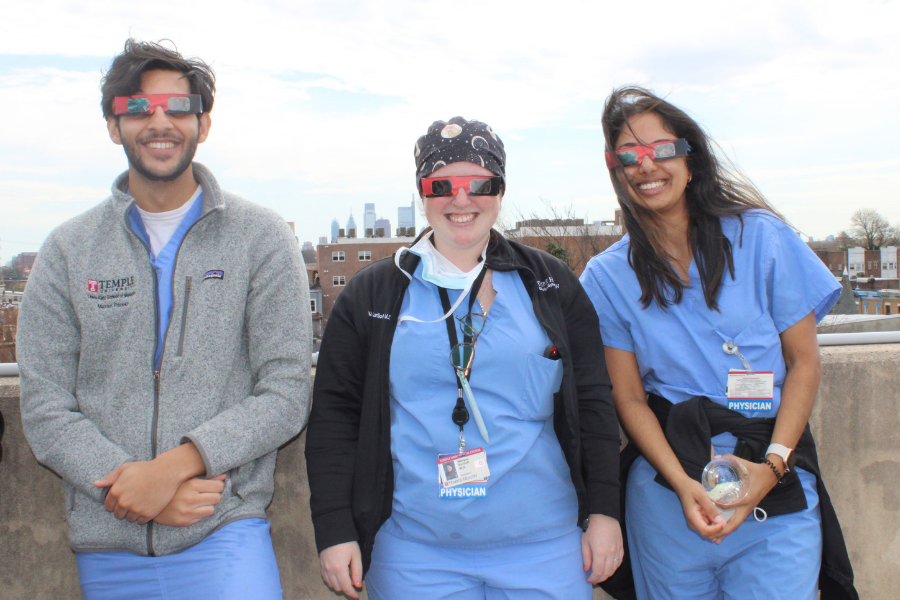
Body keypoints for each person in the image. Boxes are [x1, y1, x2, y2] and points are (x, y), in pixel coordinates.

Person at [17, 39, 311, 600]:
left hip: (225, 530)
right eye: (137, 108)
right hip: (109, 541)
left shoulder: (262, 238)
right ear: (112, 124)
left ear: (203, 121)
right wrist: (133, 489)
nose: (160, 122)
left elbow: (285, 392)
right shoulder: (67, 250)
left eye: (178, 107)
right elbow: (47, 406)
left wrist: (178, 465)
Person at [306, 116, 623, 600]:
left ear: (500, 190)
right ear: (422, 192)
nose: (461, 199)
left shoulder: (552, 284)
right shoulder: (372, 293)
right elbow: (334, 419)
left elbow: (595, 401)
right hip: (414, 554)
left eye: (480, 183)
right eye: (441, 185)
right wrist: (334, 528)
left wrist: (605, 511)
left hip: (545, 548)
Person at [580, 86, 857, 600]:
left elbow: (803, 364)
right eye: (629, 155)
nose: (647, 166)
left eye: (662, 150)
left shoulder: (764, 238)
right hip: (668, 495)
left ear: (689, 156)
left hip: (770, 483)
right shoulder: (605, 276)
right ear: (613, 167)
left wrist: (771, 469)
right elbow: (629, 398)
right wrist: (683, 486)